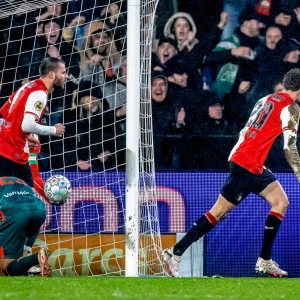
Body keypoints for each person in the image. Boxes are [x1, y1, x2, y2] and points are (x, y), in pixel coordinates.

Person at [162, 68, 300, 278]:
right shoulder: (292, 108)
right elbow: (289, 149)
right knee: (218, 213)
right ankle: (175, 252)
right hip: (247, 163)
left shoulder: (267, 98)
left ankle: (265, 260)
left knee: (281, 201)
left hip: (248, 160)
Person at [0, 57, 67, 187]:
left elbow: (5, 112)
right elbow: (27, 124)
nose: (66, 76)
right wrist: (53, 130)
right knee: (14, 199)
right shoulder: (39, 94)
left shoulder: (28, 86)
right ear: (51, 74)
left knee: (25, 195)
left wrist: (25, 135)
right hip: (9, 153)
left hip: (12, 150)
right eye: (63, 72)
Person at [0, 176, 52, 277]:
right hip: (39, 210)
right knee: (19, 259)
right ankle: (28, 267)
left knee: (4, 267)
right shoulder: (18, 179)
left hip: (17, 213)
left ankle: (36, 258)